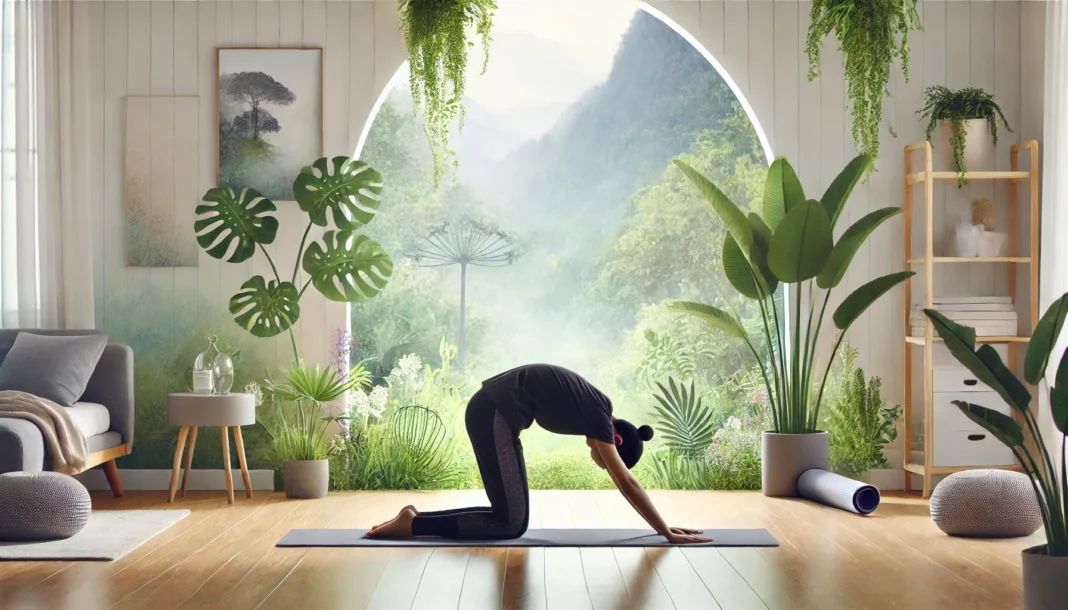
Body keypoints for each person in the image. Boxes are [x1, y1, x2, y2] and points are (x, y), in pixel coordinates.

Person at [367, 363, 711, 544]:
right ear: (616, 442)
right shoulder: (600, 418)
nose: (603, 465)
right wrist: (664, 530)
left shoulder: (597, 406)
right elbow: (627, 483)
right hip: (493, 413)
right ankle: (413, 525)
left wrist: (660, 527)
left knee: (506, 513)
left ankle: (412, 518)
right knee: (513, 523)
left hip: (493, 413)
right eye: (607, 463)